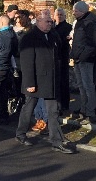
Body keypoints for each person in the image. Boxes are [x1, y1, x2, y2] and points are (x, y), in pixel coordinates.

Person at [15, 10, 75, 154]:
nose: (50, 23)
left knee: (53, 111)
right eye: (47, 21)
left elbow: (59, 53)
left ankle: (56, 141)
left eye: (51, 21)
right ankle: (21, 133)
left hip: (50, 80)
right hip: (35, 80)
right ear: (39, 21)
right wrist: (29, 83)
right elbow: (27, 62)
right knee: (28, 107)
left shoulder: (53, 35)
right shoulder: (29, 38)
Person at [71, 1, 96, 125]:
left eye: (76, 10)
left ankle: (91, 112)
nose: (73, 12)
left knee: (88, 86)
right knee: (81, 86)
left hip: (86, 60)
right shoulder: (80, 22)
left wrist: (81, 57)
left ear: (82, 11)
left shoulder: (89, 23)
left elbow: (91, 44)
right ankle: (84, 108)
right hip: (78, 59)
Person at [53, 7, 73, 113]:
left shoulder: (68, 27)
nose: (59, 16)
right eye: (57, 14)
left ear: (65, 16)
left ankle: (64, 105)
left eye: (61, 15)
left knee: (63, 81)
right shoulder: (51, 26)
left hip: (63, 57)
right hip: (53, 58)